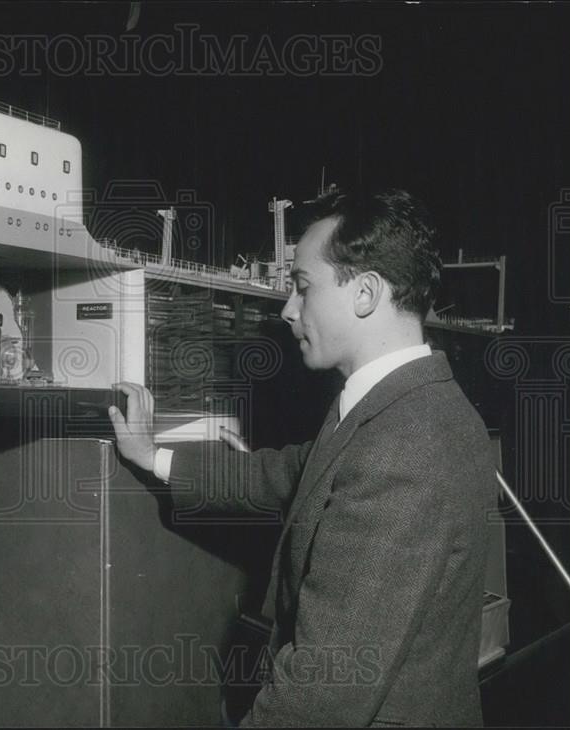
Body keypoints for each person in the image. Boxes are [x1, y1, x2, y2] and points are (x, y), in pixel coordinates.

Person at [109, 188, 496, 727]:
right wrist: (155, 457)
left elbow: (328, 684)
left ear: (365, 293)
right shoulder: (407, 408)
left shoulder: (406, 444)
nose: (288, 308)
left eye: (303, 287)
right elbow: (286, 474)